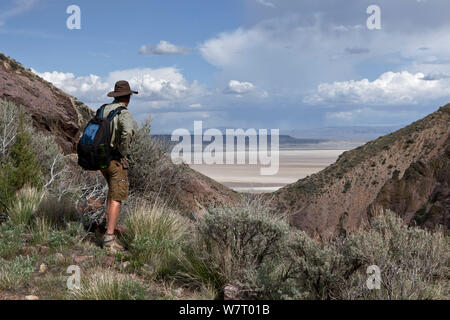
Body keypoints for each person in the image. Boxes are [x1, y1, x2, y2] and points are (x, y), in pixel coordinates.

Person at [100, 80, 137, 253]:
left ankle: (109, 229)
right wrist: (124, 153)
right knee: (117, 196)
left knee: (111, 191)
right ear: (128, 97)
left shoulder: (104, 109)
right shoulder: (124, 113)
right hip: (114, 159)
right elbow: (127, 132)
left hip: (100, 158)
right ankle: (109, 238)